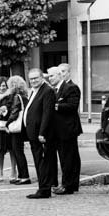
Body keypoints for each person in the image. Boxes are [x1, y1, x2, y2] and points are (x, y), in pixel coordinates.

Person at [23, 68, 56, 199]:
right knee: (39, 161)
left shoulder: (47, 91)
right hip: (33, 132)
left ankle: (44, 189)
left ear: (42, 77)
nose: (33, 81)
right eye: (31, 79)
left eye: (36, 78)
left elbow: (47, 114)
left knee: (42, 161)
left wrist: (42, 133)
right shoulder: (34, 91)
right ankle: (43, 187)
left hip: (40, 134)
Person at [52, 63, 83, 195]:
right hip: (61, 128)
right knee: (67, 157)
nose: (62, 74)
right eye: (60, 72)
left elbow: (72, 106)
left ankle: (68, 185)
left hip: (68, 128)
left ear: (69, 72)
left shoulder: (72, 87)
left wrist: (56, 106)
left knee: (69, 158)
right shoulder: (58, 88)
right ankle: (70, 184)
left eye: (64, 71)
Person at [3, 75, 32, 185]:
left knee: (18, 152)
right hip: (23, 127)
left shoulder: (16, 97)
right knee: (19, 151)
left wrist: (7, 123)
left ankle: (24, 176)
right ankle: (22, 176)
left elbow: (14, 113)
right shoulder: (24, 96)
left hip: (17, 128)